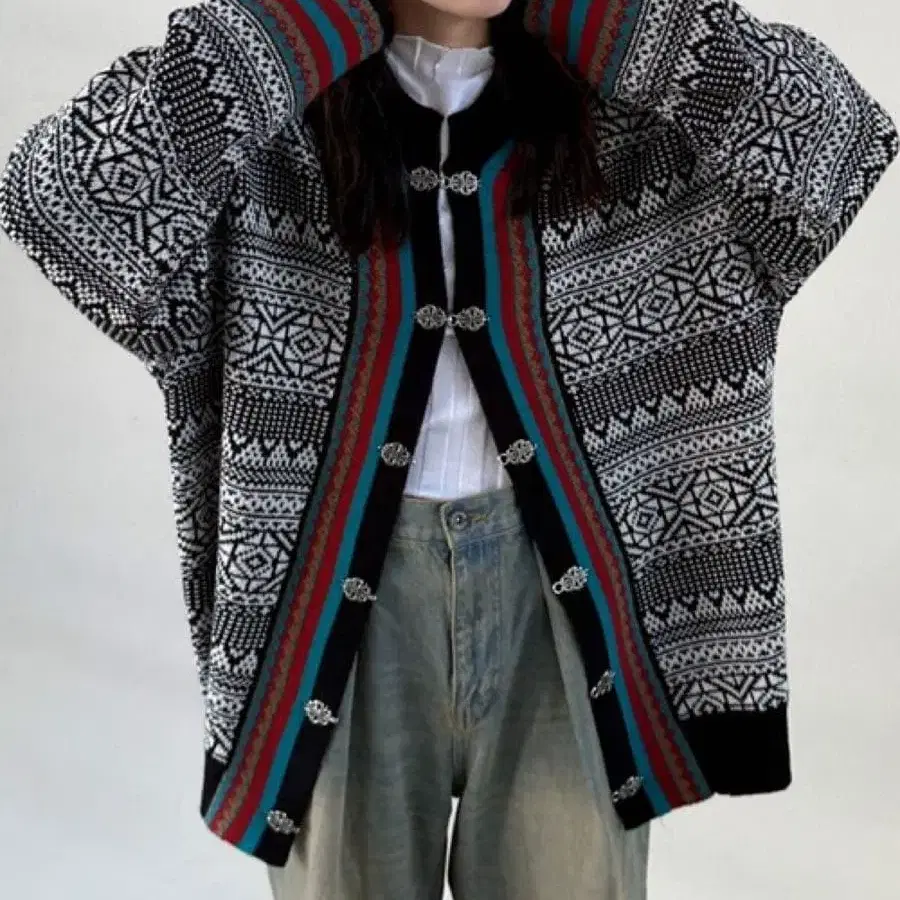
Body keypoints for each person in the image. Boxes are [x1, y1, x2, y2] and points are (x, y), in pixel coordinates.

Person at [0, 0, 896, 897]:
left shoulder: (634, 116)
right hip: (335, 624)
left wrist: (610, 16)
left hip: (566, 618)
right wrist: (295, 24)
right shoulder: (270, 127)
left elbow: (839, 138)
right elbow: (58, 199)